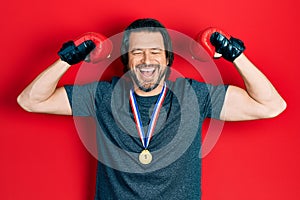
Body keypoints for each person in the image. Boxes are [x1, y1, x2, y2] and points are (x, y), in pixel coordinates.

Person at [17, 18, 286, 199]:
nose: (147, 60)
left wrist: (234, 54)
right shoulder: (103, 95)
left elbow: (271, 105)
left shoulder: (193, 94)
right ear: (127, 59)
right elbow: (29, 101)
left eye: (156, 51)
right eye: (137, 52)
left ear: (167, 58)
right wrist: (68, 59)